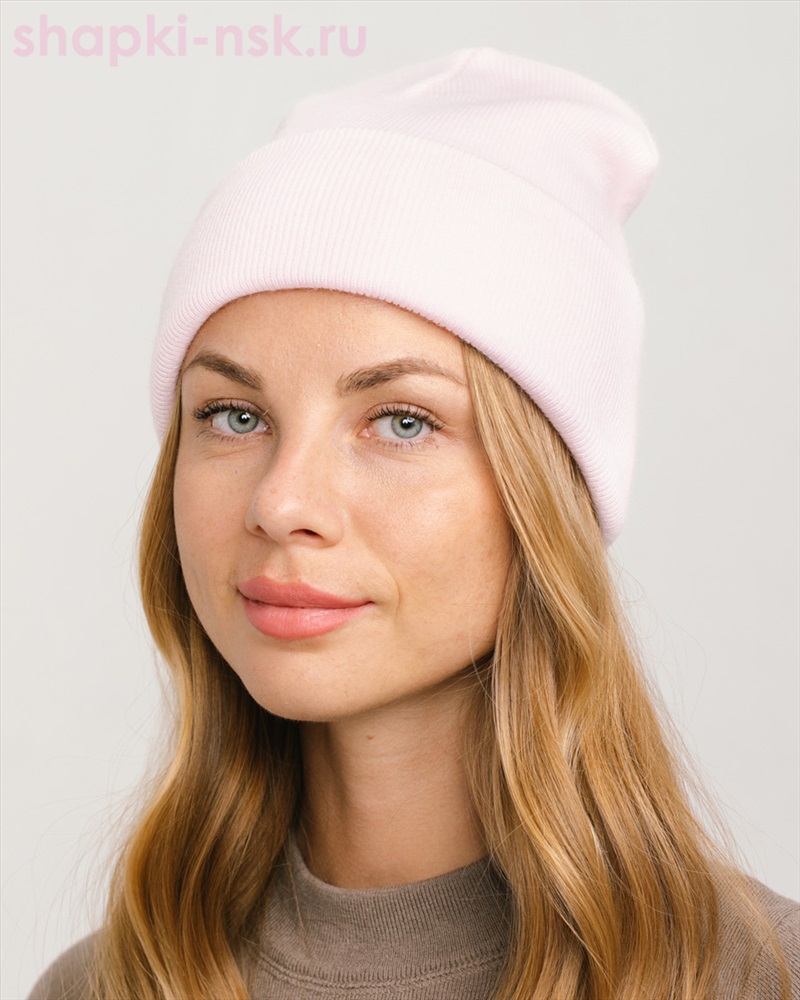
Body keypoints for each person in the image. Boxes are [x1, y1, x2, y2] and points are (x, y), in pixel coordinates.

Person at [28, 47, 799, 1000]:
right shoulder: (108, 985)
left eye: (401, 422)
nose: (281, 504)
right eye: (234, 415)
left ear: (546, 496)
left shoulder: (757, 975)